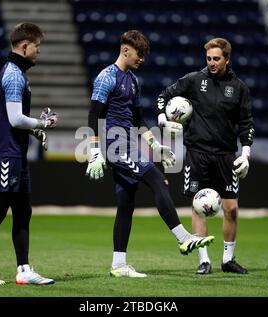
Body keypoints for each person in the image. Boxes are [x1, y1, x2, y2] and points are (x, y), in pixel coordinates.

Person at [85, 30, 215, 278]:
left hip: (131, 146)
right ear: (125, 50)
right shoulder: (106, 77)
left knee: (126, 205)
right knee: (157, 180)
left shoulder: (134, 81)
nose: (142, 59)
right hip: (115, 147)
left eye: (144, 54)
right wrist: (94, 151)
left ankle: (118, 265)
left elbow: (136, 119)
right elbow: (94, 115)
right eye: (139, 54)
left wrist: (155, 145)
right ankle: (183, 238)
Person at [0, 22, 58, 286]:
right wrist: (43, 124)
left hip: (15, 154)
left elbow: (14, 122)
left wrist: (36, 133)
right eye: (37, 47)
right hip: (7, 155)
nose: (39, 51)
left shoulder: (16, 72)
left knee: (22, 211)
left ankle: (24, 269)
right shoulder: (14, 75)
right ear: (25, 46)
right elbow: (16, 119)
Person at [156, 38, 254, 275]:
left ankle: (228, 259)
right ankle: (204, 260)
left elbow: (245, 123)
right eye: (208, 58)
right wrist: (162, 118)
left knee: (231, 209)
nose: (211, 63)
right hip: (197, 153)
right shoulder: (193, 80)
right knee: (199, 207)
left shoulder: (239, 88)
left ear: (227, 59)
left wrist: (246, 152)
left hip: (226, 155)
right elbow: (163, 96)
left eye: (216, 59)